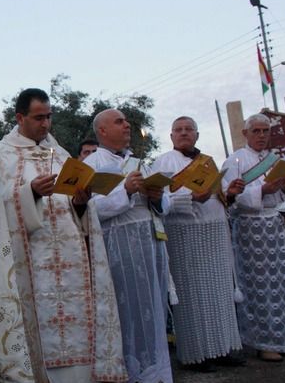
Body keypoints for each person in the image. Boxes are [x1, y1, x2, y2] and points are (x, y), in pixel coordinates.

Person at [0, 88, 127, 382]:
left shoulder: (61, 154)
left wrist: (80, 202)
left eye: (49, 117)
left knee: (78, 325)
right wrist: (30, 193)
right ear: (20, 118)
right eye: (39, 118)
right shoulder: (3, 156)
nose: (45, 124)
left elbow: (77, 211)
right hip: (33, 263)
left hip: (72, 262)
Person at [83, 108, 172, 383]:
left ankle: (156, 369)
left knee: (154, 306)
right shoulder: (92, 163)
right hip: (119, 246)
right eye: (119, 122)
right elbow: (88, 209)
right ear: (102, 131)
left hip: (150, 241)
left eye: (126, 121)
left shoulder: (140, 162)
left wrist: (156, 196)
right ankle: (131, 371)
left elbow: (164, 205)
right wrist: (127, 191)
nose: (126, 126)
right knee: (128, 311)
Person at [152, 116, 244, 371]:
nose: (184, 133)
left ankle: (221, 348)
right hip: (185, 235)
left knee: (219, 293)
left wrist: (231, 192)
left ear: (197, 135)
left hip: (214, 232)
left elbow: (221, 194)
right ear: (171, 136)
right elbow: (161, 199)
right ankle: (195, 354)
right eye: (178, 130)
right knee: (192, 296)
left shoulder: (208, 162)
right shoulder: (163, 162)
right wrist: (192, 197)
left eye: (188, 129)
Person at [221, 113, 285, 362]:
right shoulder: (235, 160)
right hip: (252, 230)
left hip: (278, 226)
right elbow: (230, 197)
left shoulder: (276, 159)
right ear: (246, 134)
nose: (262, 136)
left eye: (266, 131)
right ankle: (264, 342)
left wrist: (284, 187)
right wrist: (263, 190)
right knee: (261, 287)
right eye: (257, 131)